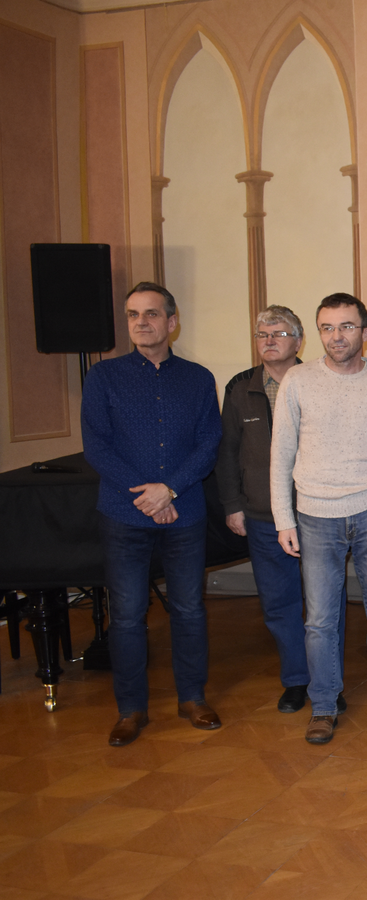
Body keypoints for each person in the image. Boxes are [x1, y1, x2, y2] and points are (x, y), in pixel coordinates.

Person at [81, 282, 223, 746]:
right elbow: (96, 446)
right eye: (133, 314)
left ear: (172, 321)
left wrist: (170, 490)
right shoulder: (103, 376)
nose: (141, 322)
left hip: (185, 511)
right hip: (124, 514)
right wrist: (146, 496)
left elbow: (209, 444)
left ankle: (192, 698)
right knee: (126, 615)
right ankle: (131, 710)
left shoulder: (198, 378)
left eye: (151, 313)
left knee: (189, 609)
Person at [271, 293, 367, 746]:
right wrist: (283, 518)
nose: (337, 336)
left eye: (347, 326)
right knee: (319, 621)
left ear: (365, 332)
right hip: (315, 516)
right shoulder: (297, 381)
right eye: (327, 328)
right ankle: (324, 706)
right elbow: (281, 454)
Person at [217, 305, 315, 713]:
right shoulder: (240, 388)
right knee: (278, 603)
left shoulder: (319, 380)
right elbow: (227, 451)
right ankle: (296, 680)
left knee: (323, 604)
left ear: (299, 341)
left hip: (314, 512)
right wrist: (232, 505)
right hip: (262, 515)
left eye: (278, 333)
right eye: (262, 334)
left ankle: (327, 680)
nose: (269, 341)